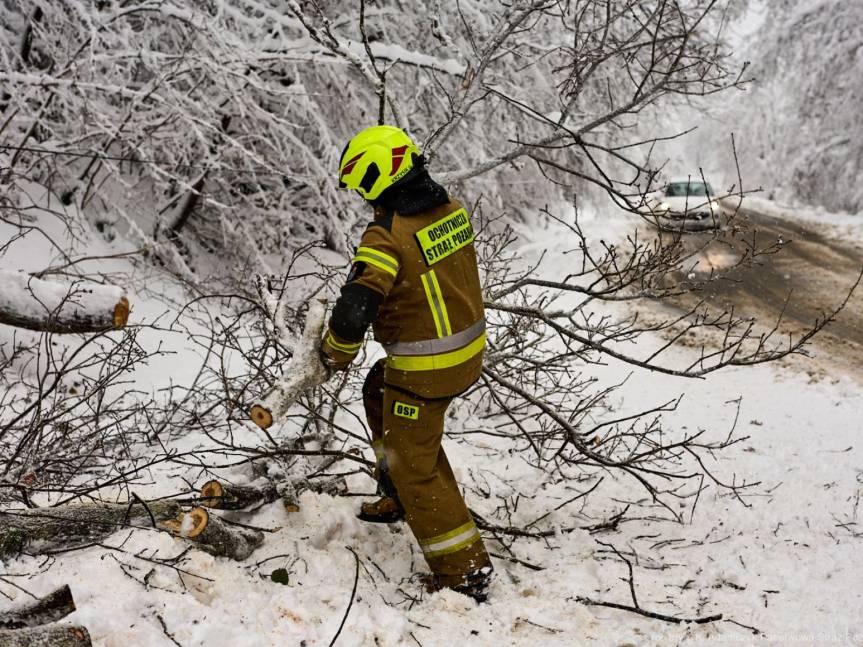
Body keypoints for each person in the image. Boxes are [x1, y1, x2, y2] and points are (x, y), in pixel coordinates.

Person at [319, 125, 493, 601]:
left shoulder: (386, 234)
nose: (358, 195)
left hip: (427, 370)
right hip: (466, 352)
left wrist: (336, 349)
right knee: (377, 388)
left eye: (360, 184)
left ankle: (465, 572)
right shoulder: (449, 210)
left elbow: (358, 304)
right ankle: (394, 490)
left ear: (377, 176)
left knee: (418, 465)